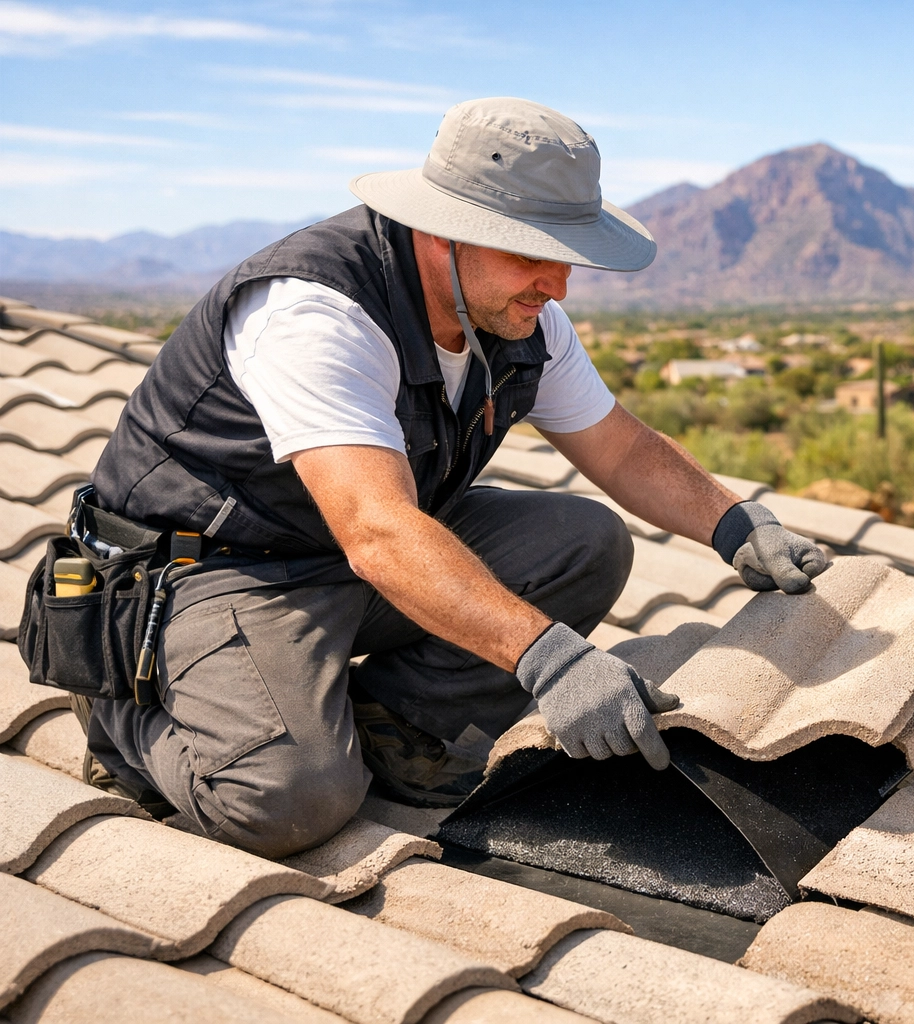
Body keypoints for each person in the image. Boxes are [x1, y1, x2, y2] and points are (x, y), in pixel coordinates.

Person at [81, 97, 827, 857]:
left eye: (567, 255)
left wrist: (735, 524)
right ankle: (124, 716)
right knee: (289, 801)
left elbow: (621, 448)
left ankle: (395, 730)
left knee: (584, 541)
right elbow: (378, 529)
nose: (558, 284)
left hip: (343, 559)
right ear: (445, 232)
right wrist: (550, 658)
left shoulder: (514, 316)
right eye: (533, 253)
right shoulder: (315, 311)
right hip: (211, 575)